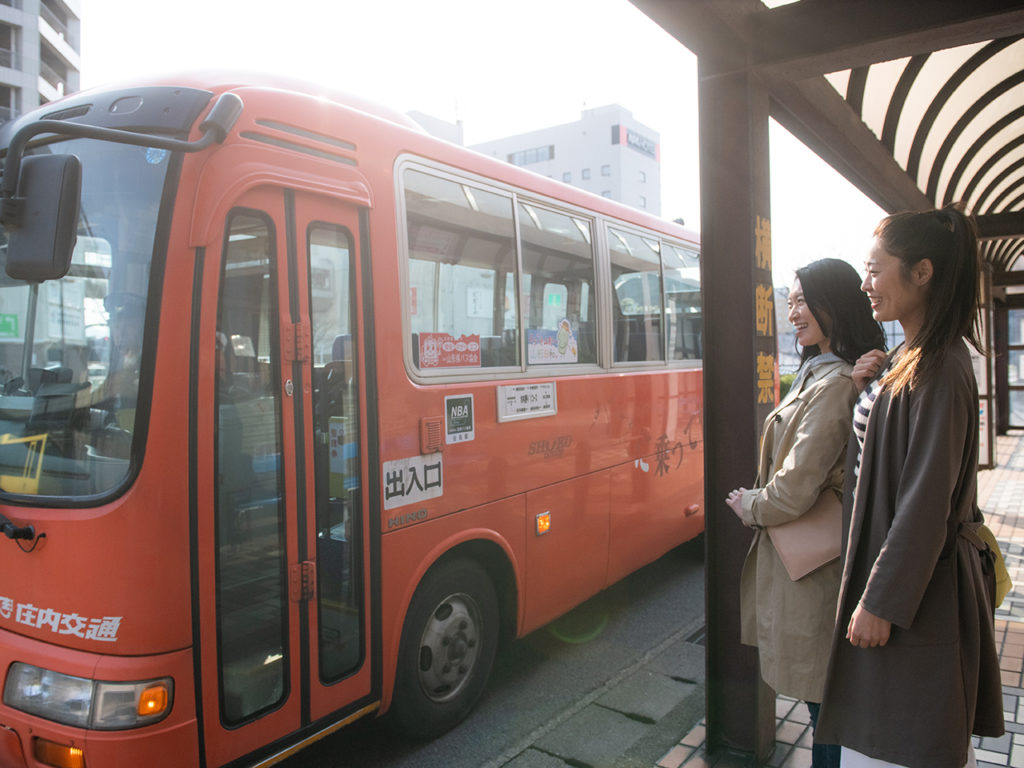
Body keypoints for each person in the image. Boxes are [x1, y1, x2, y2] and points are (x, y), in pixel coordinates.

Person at [816, 206, 1004, 768]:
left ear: (922, 272)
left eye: (876, 269)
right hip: (904, 592)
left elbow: (925, 504)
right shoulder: (909, 359)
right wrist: (869, 387)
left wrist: (880, 602)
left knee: (903, 745)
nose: (866, 284)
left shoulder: (940, 368)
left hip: (916, 603)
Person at [726, 258, 885, 768]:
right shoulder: (823, 373)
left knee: (826, 713)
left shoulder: (834, 382)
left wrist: (750, 505)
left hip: (817, 572)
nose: (792, 312)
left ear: (833, 304)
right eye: (789, 301)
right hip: (813, 565)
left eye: (802, 301)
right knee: (824, 709)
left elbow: (794, 488)